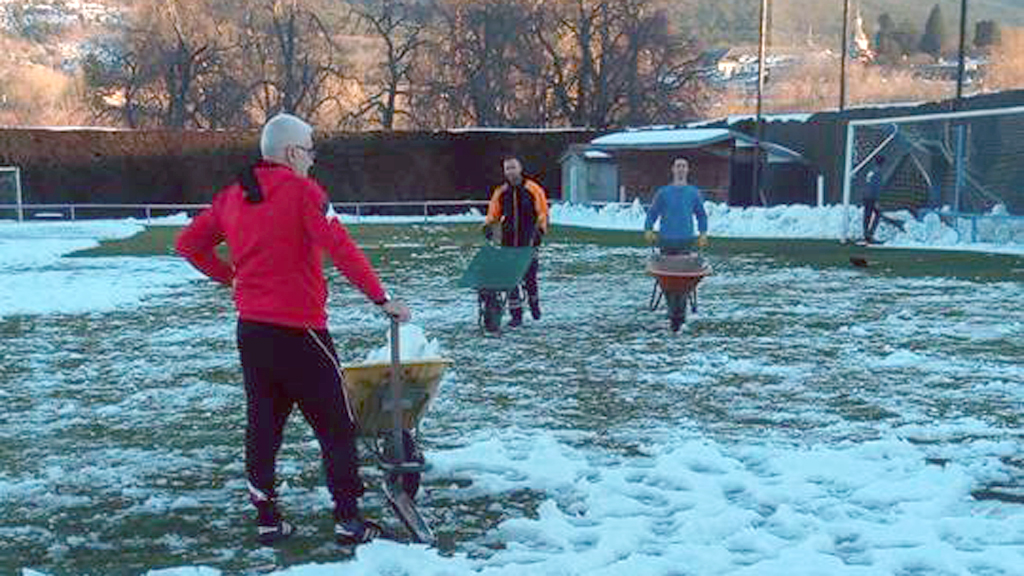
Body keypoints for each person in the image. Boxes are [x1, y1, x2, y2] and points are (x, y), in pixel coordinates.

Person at [175, 113, 410, 546]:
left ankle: (267, 518)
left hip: (252, 332)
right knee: (337, 426)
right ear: (290, 153)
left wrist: (230, 276)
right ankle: (348, 519)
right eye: (309, 151)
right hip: (302, 331)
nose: (312, 160)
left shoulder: (231, 195)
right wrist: (382, 299)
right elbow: (342, 248)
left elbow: (188, 244)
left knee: (264, 423)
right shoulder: (304, 192)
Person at [483, 155, 549, 328]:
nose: (510, 171)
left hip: (529, 239)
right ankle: (516, 315)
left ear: (520, 169)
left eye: (513, 167)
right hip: (508, 240)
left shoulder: (533, 189)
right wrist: (488, 226)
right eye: (507, 168)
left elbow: (542, 212)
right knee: (510, 279)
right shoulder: (501, 192)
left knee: (530, 277)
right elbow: (493, 213)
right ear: (504, 172)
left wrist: (541, 230)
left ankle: (534, 305)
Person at [643, 157, 709, 254]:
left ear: (687, 170)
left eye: (683, 166)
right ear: (673, 169)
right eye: (678, 166)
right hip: (666, 240)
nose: (681, 169)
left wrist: (703, 233)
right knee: (665, 267)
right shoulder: (663, 192)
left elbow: (701, 215)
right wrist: (648, 229)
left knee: (684, 268)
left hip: (686, 241)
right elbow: (652, 213)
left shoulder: (694, 193)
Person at [862, 154, 885, 244]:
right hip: (872, 197)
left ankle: (866, 234)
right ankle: (869, 235)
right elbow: (876, 187)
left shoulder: (870, 171)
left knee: (867, 216)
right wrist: (877, 200)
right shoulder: (878, 173)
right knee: (878, 214)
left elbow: (867, 184)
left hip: (866, 196)